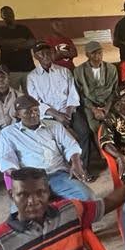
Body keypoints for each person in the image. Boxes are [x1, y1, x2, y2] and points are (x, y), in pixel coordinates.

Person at [0, 95, 95, 200]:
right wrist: (20, 180)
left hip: (57, 175)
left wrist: (76, 163)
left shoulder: (54, 126)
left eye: (36, 110)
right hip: (31, 181)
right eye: (27, 112)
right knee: (22, 213)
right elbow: (6, 159)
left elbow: (71, 145)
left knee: (88, 197)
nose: (34, 114)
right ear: (18, 114)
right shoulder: (8, 133)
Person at [27, 41, 92, 172]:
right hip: (49, 115)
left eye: (48, 52)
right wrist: (57, 115)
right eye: (41, 53)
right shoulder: (32, 77)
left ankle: (83, 168)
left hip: (69, 110)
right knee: (57, 139)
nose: (45, 55)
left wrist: (67, 113)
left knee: (84, 132)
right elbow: (36, 102)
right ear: (36, 56)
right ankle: (66, 168)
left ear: (52, 53)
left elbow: (73, 94)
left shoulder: (64, 71)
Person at [74, 41, 118, 134]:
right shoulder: (79, 71)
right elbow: (81, 95)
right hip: (90, 105)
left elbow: (114, 91)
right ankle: (100, 148)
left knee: (114, 124)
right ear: (87, 55)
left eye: (100, 52)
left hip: (108, 104)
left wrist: (106, 109)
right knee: (95, 128)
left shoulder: (111, 69)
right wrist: (94, 110)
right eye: (94, 53)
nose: (98, 55)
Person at [0, 5, 36, 89]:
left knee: (31, 95)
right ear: (1, 16)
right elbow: (0, 42)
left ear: (13, 13)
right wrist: (21, 41)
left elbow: (32, 42)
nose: (8, 15)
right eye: (5, 14)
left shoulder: (23, 28)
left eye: (9, 13)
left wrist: (11, 46)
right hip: (10, 70)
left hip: (28, 68)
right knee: (12, 96)